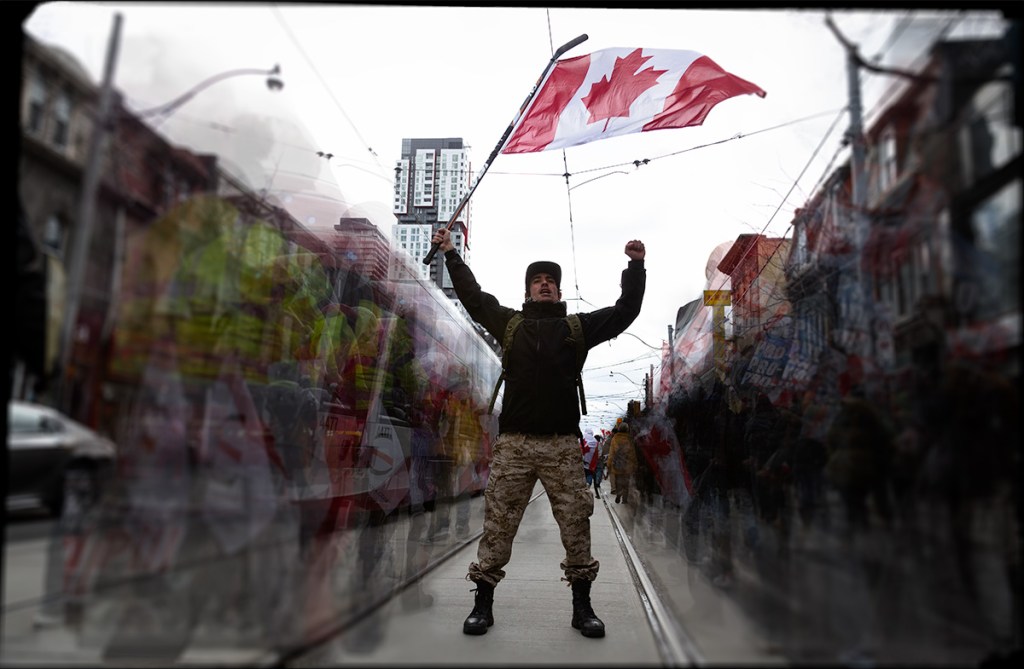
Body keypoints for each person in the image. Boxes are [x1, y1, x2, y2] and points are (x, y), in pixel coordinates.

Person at [431, 227, 646, 639]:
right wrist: (450, 254)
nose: (545, 284)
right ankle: (482, 603)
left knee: (575, 525)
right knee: (499, 523)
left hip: (563, 445)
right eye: (537, 280)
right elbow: (475, 299)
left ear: (558, 290)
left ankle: (582, 607)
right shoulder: (510, 324)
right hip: (514, 444)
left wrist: (635, 267)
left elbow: (624, 313)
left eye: (551, 280)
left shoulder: (577, 327)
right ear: (528, 291)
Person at [607, 421, 638, 504]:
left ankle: (618, 493)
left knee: (618, 482)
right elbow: (632, 453)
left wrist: (609, 464)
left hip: (617, 465)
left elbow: (612, 453)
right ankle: (624, 499)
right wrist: (635, 464)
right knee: (626, 483)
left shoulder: (615, 439)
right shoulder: (629, 439)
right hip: (627, 465)